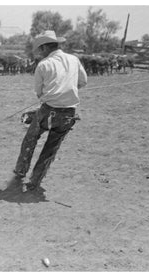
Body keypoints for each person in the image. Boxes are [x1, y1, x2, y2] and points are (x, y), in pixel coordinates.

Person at [13, 30, 88, 192]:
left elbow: (39, 93)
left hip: (48, 111)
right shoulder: (74, 59)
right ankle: (35, 180)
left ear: (45, 48)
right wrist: (67, 91)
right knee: (51, 148)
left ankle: (21, 170)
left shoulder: (44, 65)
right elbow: (83, 81)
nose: (40, 52)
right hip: (69, 114)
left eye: (40, 49)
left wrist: (53, 95)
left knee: (30, 139)